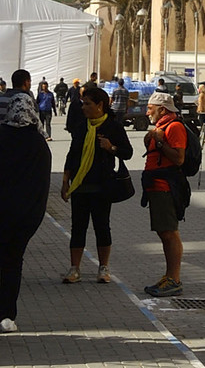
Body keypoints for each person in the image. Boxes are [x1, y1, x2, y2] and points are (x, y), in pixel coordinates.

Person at [60, 81, 134, 283]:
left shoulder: (113, 126)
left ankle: (103, 268)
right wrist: (65, 180)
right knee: (78, 227)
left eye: (87, 104)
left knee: (102, 227)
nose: (83, 107)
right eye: (83, 104)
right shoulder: (80, 126)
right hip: (80, 186)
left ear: (100, 105)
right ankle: (74, 268)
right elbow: (72, 154)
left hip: (103, 186)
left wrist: (111, 148)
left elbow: (127, 152)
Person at [0, 71, 53, 332]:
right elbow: (42, 186)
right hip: (23, 218)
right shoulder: (39, 144)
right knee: (12, 262)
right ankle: (7, 315)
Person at [141, 91, 191, 298]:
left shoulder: (174, 127)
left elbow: (178, 159)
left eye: (150, 108)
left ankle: (174, 279)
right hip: (156, 186)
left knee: (169, 233)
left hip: (166, 187)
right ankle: (169, 277)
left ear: (162, 109)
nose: (146, 112)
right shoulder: (161, 127)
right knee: (164, 232)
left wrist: (160, 142)